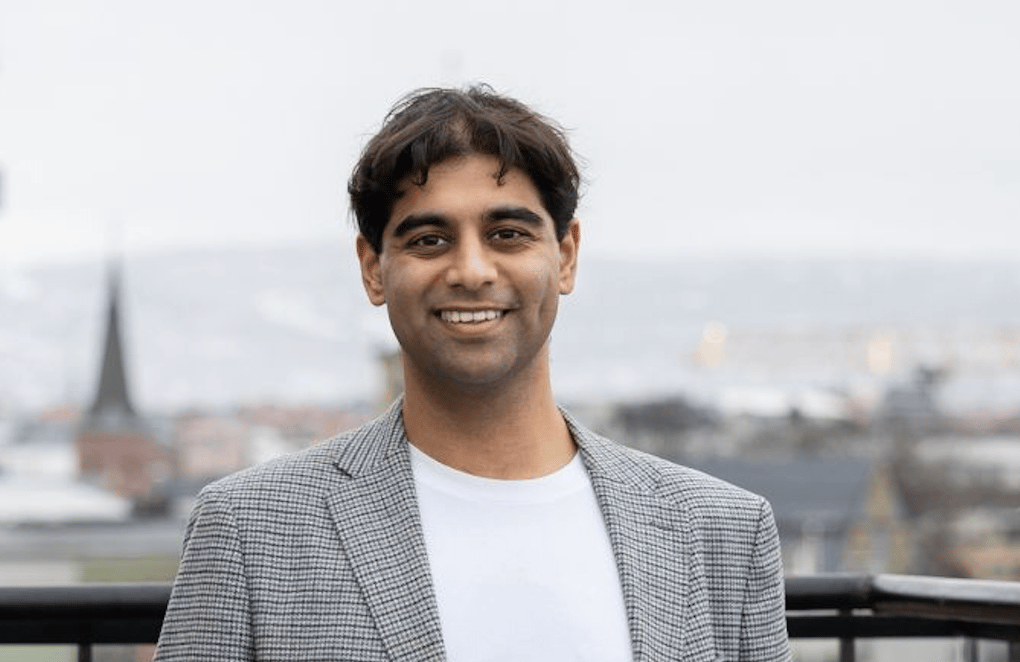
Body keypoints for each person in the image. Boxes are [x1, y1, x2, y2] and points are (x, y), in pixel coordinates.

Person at [154, 85, 791, 662]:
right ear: (373, 269)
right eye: (428, 240)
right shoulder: (250, 528)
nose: (472, 270)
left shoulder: (721, 531)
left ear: (565, 257)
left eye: (508, 233)